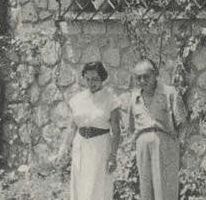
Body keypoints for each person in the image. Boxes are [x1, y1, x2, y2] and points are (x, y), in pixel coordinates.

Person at [56, 61, 120, 200]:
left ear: (102, 78)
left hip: (100, 147)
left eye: (95, 79)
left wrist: (113, 156)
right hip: (81, 147)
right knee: (80, 186)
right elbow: (72, 126)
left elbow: (116, 130)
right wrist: (63, 148)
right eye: (88, 79)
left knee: (97, 188)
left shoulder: (111, 99)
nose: (91, 83)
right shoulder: (78, 99)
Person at [126, 59, 186, 200]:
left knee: (165, 189)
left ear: (156, 74)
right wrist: (137, 143)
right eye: (138, 77)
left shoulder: (169, 93)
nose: (142, 80)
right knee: (146, 190)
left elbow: (182, 122)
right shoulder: (134, 97)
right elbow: (130, 126)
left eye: (146, 76)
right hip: (143, 147)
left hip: (165, 145)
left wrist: (175, 145)